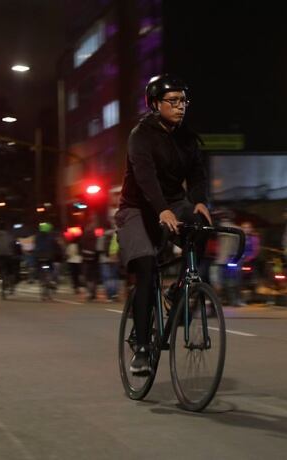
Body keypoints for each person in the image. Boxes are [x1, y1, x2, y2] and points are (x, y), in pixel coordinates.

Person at [116, 74, 211, 375]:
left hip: (173, 202)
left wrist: (198, 201)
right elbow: (145, 177)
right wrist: (161, 210)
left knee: (201, 229)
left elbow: (197, 173)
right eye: (173, 101)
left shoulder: (187, 137)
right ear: (156, 104)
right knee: (145, 267)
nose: (180, 106)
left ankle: (176, 292)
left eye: (183, 101)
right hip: (137, 207)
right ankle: (142, 348)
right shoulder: (140, 136)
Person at [0, 222, 17, 294]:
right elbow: (13, 244)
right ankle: (11, 286)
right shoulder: (9, 235)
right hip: (7, 255)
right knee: (10, 271)